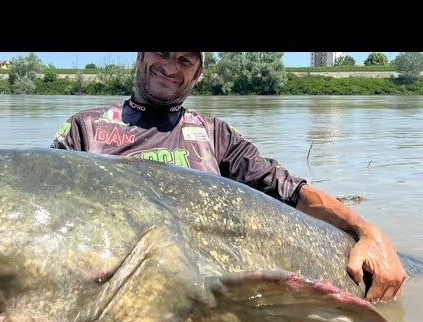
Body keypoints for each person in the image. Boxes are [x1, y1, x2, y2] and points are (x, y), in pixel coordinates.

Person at [50, 51, 406, 303]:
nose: (171, 66)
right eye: (162, 53)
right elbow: (48, 218)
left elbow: (292, 192)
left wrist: (368, 231)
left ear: (198, 73)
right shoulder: (85, 129)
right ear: (141, 57)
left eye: (185, 60)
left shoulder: (215, 135)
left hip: (202, 293)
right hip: (112, 290)